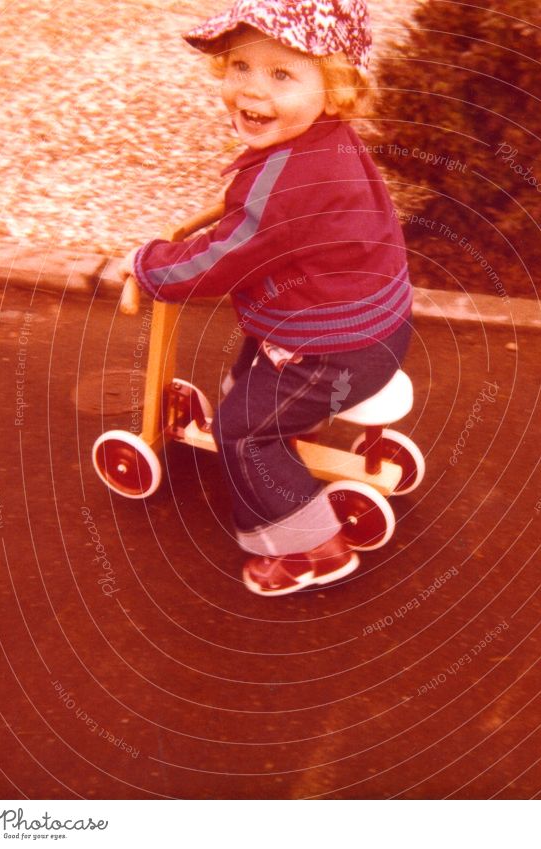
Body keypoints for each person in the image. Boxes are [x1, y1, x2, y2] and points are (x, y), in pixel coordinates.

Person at [118, 0, 412, 597]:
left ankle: (307, 547)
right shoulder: (327, 143)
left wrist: (148, 265)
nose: (252, 89)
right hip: (367, 323)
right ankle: (251, 418)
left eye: (283, 74)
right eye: (241, 66)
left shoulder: (286, 181)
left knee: (244, 432)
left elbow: (219, 262)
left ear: (332, 90)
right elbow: (260, 230)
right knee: (255, 358)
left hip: (335, 349)